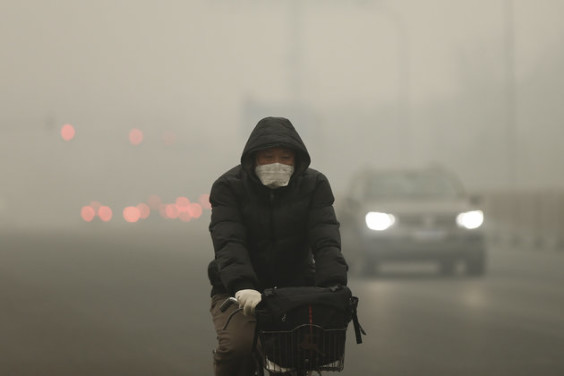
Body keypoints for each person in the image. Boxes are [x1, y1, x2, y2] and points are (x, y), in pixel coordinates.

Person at [207, 116, 348, 376]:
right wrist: (242, 285)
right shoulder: (228, 187)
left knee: (297, 354)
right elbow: (229, 240)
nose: (277, 163)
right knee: (238, 348)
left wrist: (334, 283)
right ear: (253, 159)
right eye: (268, 156)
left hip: (295, 291)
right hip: (237, 291)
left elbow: (325, 237)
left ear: (297, 159)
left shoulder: (314, 185)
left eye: (285, 157)